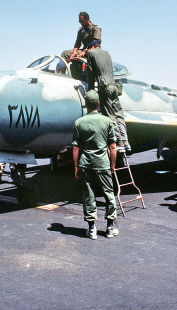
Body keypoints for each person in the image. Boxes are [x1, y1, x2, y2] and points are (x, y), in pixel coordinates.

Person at [72, 90, 119, 240]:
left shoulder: (79, 122)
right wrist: (112, 165)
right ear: (98, 104)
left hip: (86, 164)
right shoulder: (107, 121)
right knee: (109, 194)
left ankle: (92, 229)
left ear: (85, 104)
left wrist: (76, 167)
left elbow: (75, 148)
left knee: (89, 195)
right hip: (103, 164)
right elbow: (113, 147)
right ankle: (110, 228)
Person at [86, 40, 130, 152]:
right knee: (119, 114)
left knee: (110, 116)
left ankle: (119, 143)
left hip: (104, 87)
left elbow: (90, 72)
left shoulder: (91, 53)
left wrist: (90, 89)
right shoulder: (107, 53)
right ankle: (125, 141)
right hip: (114, 86)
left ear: (91, 47)